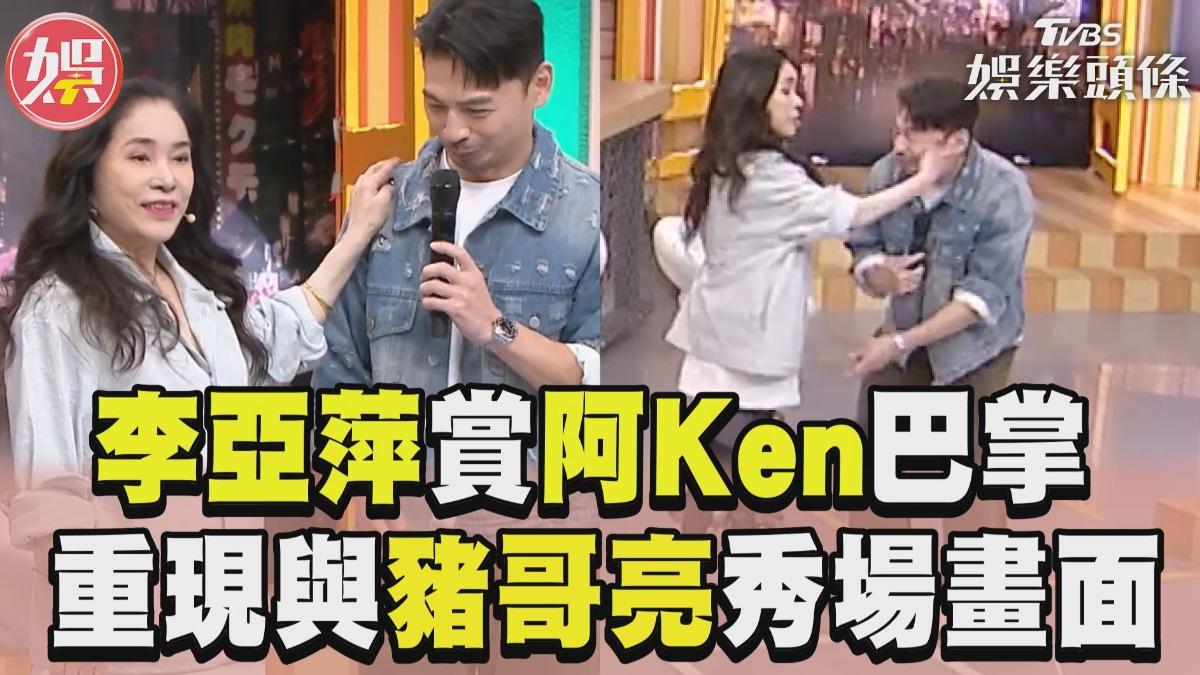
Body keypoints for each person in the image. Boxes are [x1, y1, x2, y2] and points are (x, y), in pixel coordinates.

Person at [0, 78, 397, 675]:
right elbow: (51, 497)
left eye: (180, 158)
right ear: (89, 176)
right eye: (140, 157)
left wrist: (357, 234)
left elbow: (273, 339)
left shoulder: (195, 290)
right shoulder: (57, 311)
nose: (165, 177)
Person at [312, 1, 601, 672]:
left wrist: (494, 327)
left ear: (538, 85)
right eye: (434, 104)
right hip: (403, 521)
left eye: (477, 108)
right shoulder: (384, 204)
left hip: (537, 523)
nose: (452, 130)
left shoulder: (584, 211)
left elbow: (596, 379)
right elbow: (341, 370)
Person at [661, 46, 962, 533]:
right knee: (738, 496)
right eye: (786, 90)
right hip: (741, 357)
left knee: (720, 492)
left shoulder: (728, 164)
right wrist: (924, 179)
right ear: (754, 98)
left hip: (721, 347)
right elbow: (851, 214)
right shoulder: (765, 178)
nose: (798, 101)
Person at [845, 77, 1035, 530]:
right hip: (902, 330)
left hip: (976, 347)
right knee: (876, 469)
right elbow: (863, 247)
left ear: (956, 141)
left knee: (971, 487)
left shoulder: (1004, 192)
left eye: (912, 136)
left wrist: (899, 343)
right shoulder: (888, 175)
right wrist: (877, 274)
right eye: (897, 131)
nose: (899, 147)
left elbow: (978, 300)